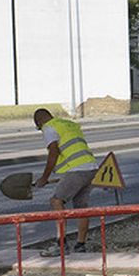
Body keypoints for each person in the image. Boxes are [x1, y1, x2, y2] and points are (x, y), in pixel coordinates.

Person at [33, 108, 98, 254]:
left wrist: (44, 178)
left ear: (39, 122)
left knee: (57, 201)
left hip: (77, 169)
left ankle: (61, 244)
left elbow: (53, 153)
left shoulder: (49, 127)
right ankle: (80, 245)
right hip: (92, 167)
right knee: (81, 208)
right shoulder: (67, 124)